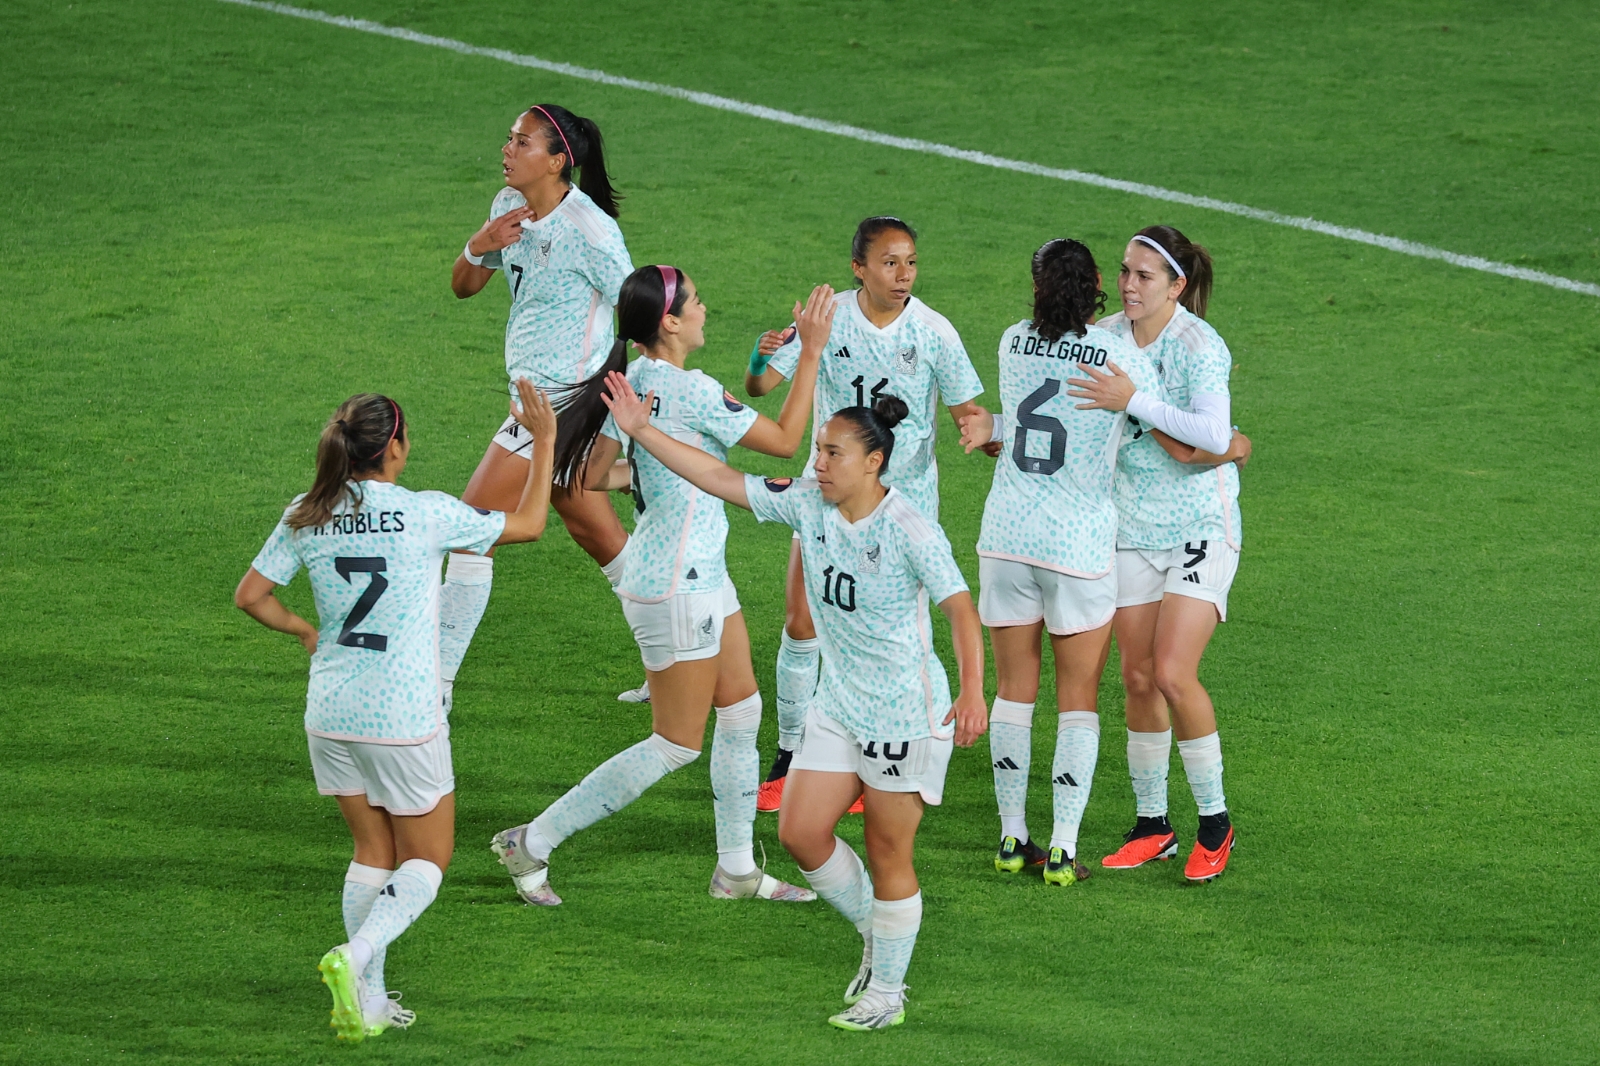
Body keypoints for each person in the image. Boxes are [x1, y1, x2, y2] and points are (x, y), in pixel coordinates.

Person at [602, 380, 987, 1031]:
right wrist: (641, 433)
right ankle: (880, 935)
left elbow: (960, 610)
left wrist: (974, 689)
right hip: (837, 704)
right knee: (799, 832)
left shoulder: (909, 528)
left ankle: (887, 994)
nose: (818, 463)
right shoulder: (809, 505)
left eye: (833, 453)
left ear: (873, 462)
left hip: (903, 714)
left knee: (888, 850)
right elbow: (721, 477)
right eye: (818, 450)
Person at [486, 267, 838, 905]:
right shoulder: (690, 390)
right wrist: (810, 351)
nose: (706, 308)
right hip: (680, 584)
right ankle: (530, 843)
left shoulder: (635, 380)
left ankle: (735, 869)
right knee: (675, 742)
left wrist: (657, 469)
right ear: (669, 323)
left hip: (688, 572)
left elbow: (595, 474)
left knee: (741, 710)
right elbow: (786, 442)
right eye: (695, 301)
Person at [233, 383, 558, 1042]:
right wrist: (545, 442)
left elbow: (251, 596)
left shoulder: (306, 511)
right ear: (396, 450)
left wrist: (302, 630)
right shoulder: (425, 513)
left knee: (371, 851)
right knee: (428, 861)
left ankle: (370, 1003)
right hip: (402, 718)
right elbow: (528, 524)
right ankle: (353, 959)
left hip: (329, 711)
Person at [744, 216, 986, 812]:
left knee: (894, 633)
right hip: (826, 495)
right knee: (802, 618)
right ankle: (791, 750)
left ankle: (883, 751)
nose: (903, 275)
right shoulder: (829, 320)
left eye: (910, 263)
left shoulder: (933, 332)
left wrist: (993, 435)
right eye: (888, 262)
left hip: (900, 510)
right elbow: (758, 386)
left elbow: (968, 413)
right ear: (858, 268)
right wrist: (763, 351)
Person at [956, 239, 1162, 886]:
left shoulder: (1013, 341)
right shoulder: (1119, 357)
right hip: (1077, 545)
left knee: (1014, 692)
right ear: (1100, 282)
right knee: (1077, 698)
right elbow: (1148, 429)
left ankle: (1014, 837)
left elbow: (1011, 427)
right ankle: (1066, 847)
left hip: (1007, 538)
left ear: (1037, 285)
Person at [1066, 225, 1252, 882]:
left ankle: (1215, 822)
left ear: (1176, 285)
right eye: (1123, 271)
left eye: (1144, 276)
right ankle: (1152, 824)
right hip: (1131, 525)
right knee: (1138, 678)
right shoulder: (1105, 338)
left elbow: (1215, 433)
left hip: (1200, 522)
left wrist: (1134, 401)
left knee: (1174, 673)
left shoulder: (1201, 346)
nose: (1127, 285)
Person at [447, 103, 642, 704]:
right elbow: (463, 286)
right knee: (595, 531)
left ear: (559, 161)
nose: (507, 149)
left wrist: (631, 398)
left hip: (561, 401)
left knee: (469, 530)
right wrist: (479, 245)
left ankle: (434, 684)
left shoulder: (590, 230)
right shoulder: (508, 207)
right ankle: (680, 659)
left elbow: (640, 312)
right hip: (533, 394)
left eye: (522, 142)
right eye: (508, 138)